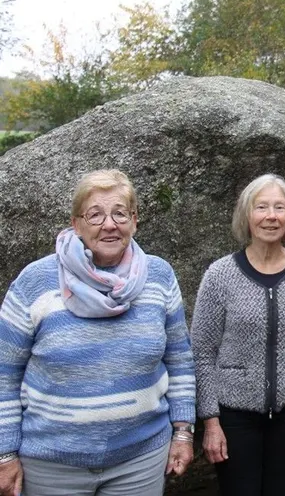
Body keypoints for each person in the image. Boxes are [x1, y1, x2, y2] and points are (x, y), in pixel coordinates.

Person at [0, 169, 196, 496]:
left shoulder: (159, 277)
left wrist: (184, 433)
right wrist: (5, 453)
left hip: (141, 460)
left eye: (120, 213)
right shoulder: (35, 282)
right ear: (76, 224)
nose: (109, 224)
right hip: (51, 466)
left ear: (134, 220)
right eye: (95, 215)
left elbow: (180, 361)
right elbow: (4, 373)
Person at [191, 174, 285, 496]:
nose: (271, 216)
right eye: (262, 207)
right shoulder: (220, 275)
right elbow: (202, 352)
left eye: (279, 207)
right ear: (247, 215)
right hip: (235, 415)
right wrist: (211, 421)